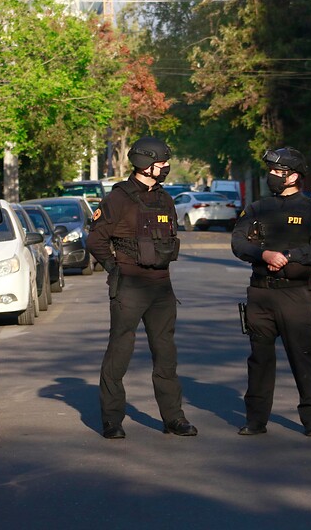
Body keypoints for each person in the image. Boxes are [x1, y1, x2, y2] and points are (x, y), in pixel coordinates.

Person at [87, 137, 197, 439]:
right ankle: (112, 420)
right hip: (130, 287)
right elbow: (96, 240)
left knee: (166, 355)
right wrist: (114, 268)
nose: (166, 167)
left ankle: (174, 418)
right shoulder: (118, 199)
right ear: (146, 164)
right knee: (119, 353)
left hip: (161, 288)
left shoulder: (165, 199)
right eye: (162, 163)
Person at [231, 147, 311, 437]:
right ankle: (256, 420)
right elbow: (238, 243)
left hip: (296, 295)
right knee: (259, 360)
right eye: (272, 171)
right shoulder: (257, 208)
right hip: (260, 293)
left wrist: (288, 255)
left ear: (294, 176)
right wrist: (264, 255)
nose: (273, 176)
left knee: (303, 357)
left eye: (279, 172)